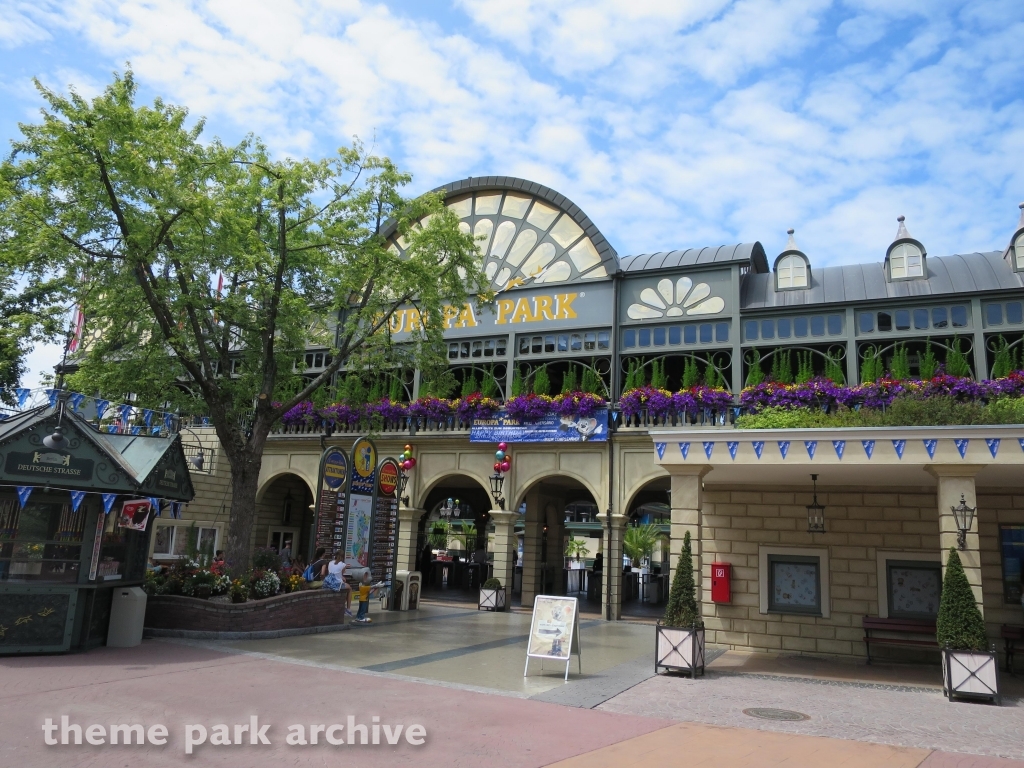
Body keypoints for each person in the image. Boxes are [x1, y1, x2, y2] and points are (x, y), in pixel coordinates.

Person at [322, 550, 353, 616]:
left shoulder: (330, 563)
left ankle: (342, 605)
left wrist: (341, 577)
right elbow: (341, 574)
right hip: (336, 585)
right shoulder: (343, 565)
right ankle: (348, 609)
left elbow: (333, 573)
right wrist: (343, 578)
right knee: (349, 589)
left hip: (328, 583)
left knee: (344, 586)